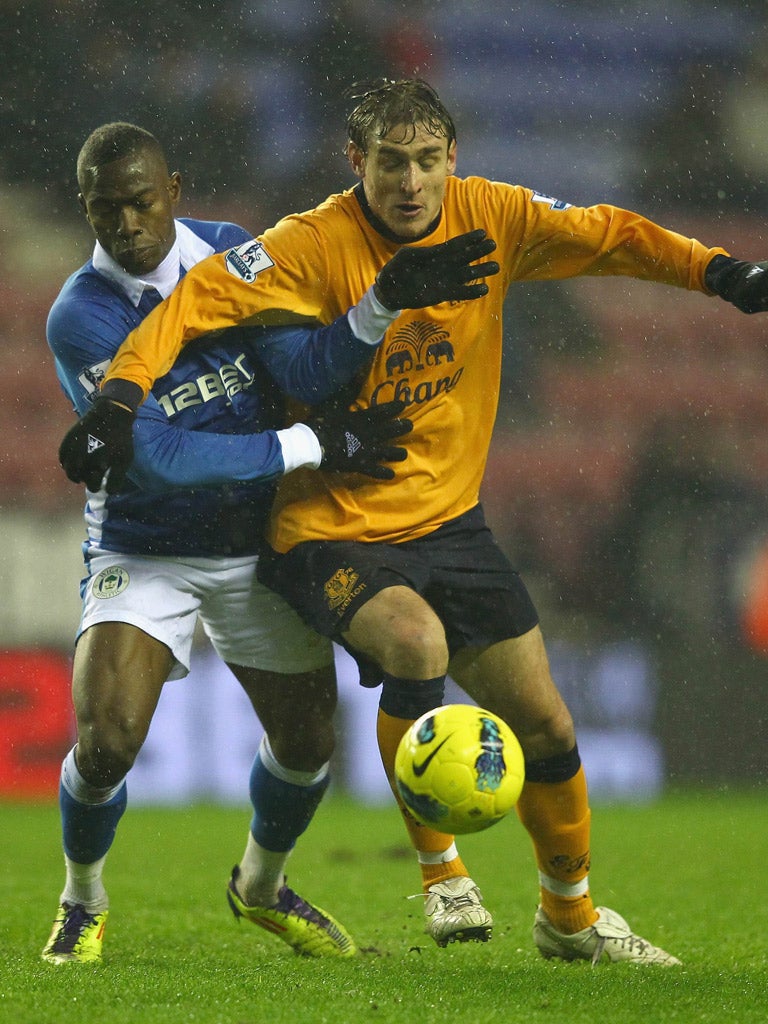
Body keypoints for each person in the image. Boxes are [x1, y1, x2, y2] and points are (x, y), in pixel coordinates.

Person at [58, 80, 768, 965]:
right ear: (357, 163)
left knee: (546, 727)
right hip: (329, 522)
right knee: (416, 649)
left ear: (452, 161)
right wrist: (123, 399)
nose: (410, 181)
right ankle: (441, 877)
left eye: (427, 160)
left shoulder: (494, 217)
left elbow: (612, 235)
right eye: (391, 162)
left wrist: (719, 272)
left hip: (450, 523)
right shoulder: (306, 243)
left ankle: (570, 919)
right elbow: (191, 308)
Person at [43, 120, 497, 964]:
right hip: (144, 547)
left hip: (255, 542)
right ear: (86, 208)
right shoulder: (80, 317)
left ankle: (261, 885)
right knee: (105, 743)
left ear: (174, 192)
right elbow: (159, 456)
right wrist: (316, 446)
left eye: (141, 204)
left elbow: (299, 372)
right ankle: (82, 897)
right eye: (106, 210)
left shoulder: (234, 255)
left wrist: (379, 304)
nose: (127, 226)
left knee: (307, 741)